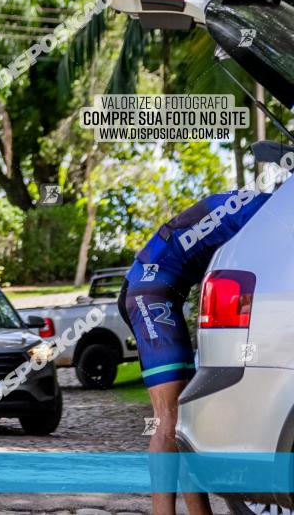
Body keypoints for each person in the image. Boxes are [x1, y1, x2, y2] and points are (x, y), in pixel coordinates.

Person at [118, 189, 272, 515]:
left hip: (166, 288)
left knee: (186, 421)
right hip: (149, 287)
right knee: (169, 417)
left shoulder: (266, 204)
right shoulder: (267, 212)